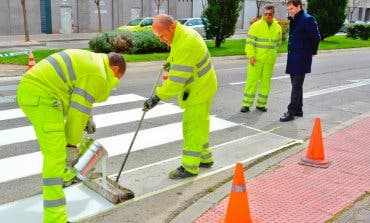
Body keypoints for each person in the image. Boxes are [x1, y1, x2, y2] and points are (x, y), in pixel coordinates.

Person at [16, 49, 126, 223]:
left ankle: (66, 176)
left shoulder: (94, 62)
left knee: (60, 150)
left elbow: (78, 95)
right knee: (57, 155)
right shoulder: (98, 74)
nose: (115, 82)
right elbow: (78, 112)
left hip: (41, 93)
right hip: (43, 97)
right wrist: (71, 145)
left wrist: (88, 117)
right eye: (118, 78)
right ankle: (55, 219)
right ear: (115, 69)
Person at [143, 14, 218, 179]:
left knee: (192, 127)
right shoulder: (181, 35)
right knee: (200, 125)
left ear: (171, 27)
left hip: (198, 89)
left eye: (162, 35)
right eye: (158, 37)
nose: (161, 40)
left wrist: (156, 97)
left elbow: (176, 81)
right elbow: (178, 58)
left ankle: (190, 167)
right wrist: (171, 61)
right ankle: (205, 158)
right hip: (203, 84)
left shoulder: (185, 42)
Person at [280, 0, 321, 122]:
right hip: (293, 57)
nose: (290, 11)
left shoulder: (308, 19)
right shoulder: (294, 19)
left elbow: (316, 37)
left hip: (301, 58)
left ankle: (291, 112)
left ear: (299, 7)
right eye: (288, 9)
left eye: (291, 8)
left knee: (296, 86)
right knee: (296, 85)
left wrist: (312, 52)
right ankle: (298, 110)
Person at [241, 5, 282, 113]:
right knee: (252, 81)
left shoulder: (277, 27)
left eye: (270, 14)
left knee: (266, 83)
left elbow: (278, 43)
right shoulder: (256, 26)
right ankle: (246, 104)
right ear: (263, 14)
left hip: (269, 60)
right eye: (266, 14)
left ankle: (261, 105)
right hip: (256, 59)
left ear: (274, 14)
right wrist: (251, 56)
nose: (268, 16)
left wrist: (272, 53)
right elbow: (249, 43)